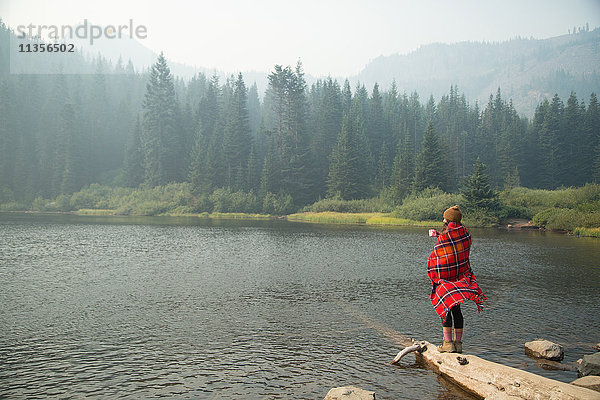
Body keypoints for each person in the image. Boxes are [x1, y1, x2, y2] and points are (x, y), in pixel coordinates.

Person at [427, 205, 487, 353]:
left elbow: (440, 257)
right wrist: (441, 235)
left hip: (445, 279)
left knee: (445, 308)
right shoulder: (465, 234)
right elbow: (458, 250)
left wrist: (440, 237)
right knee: (457, 310)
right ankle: (458, 344)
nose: (443, 220)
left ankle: (447, 344)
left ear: (448, 220)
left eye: (445, 218)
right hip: (461, 276)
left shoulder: (445, 236)